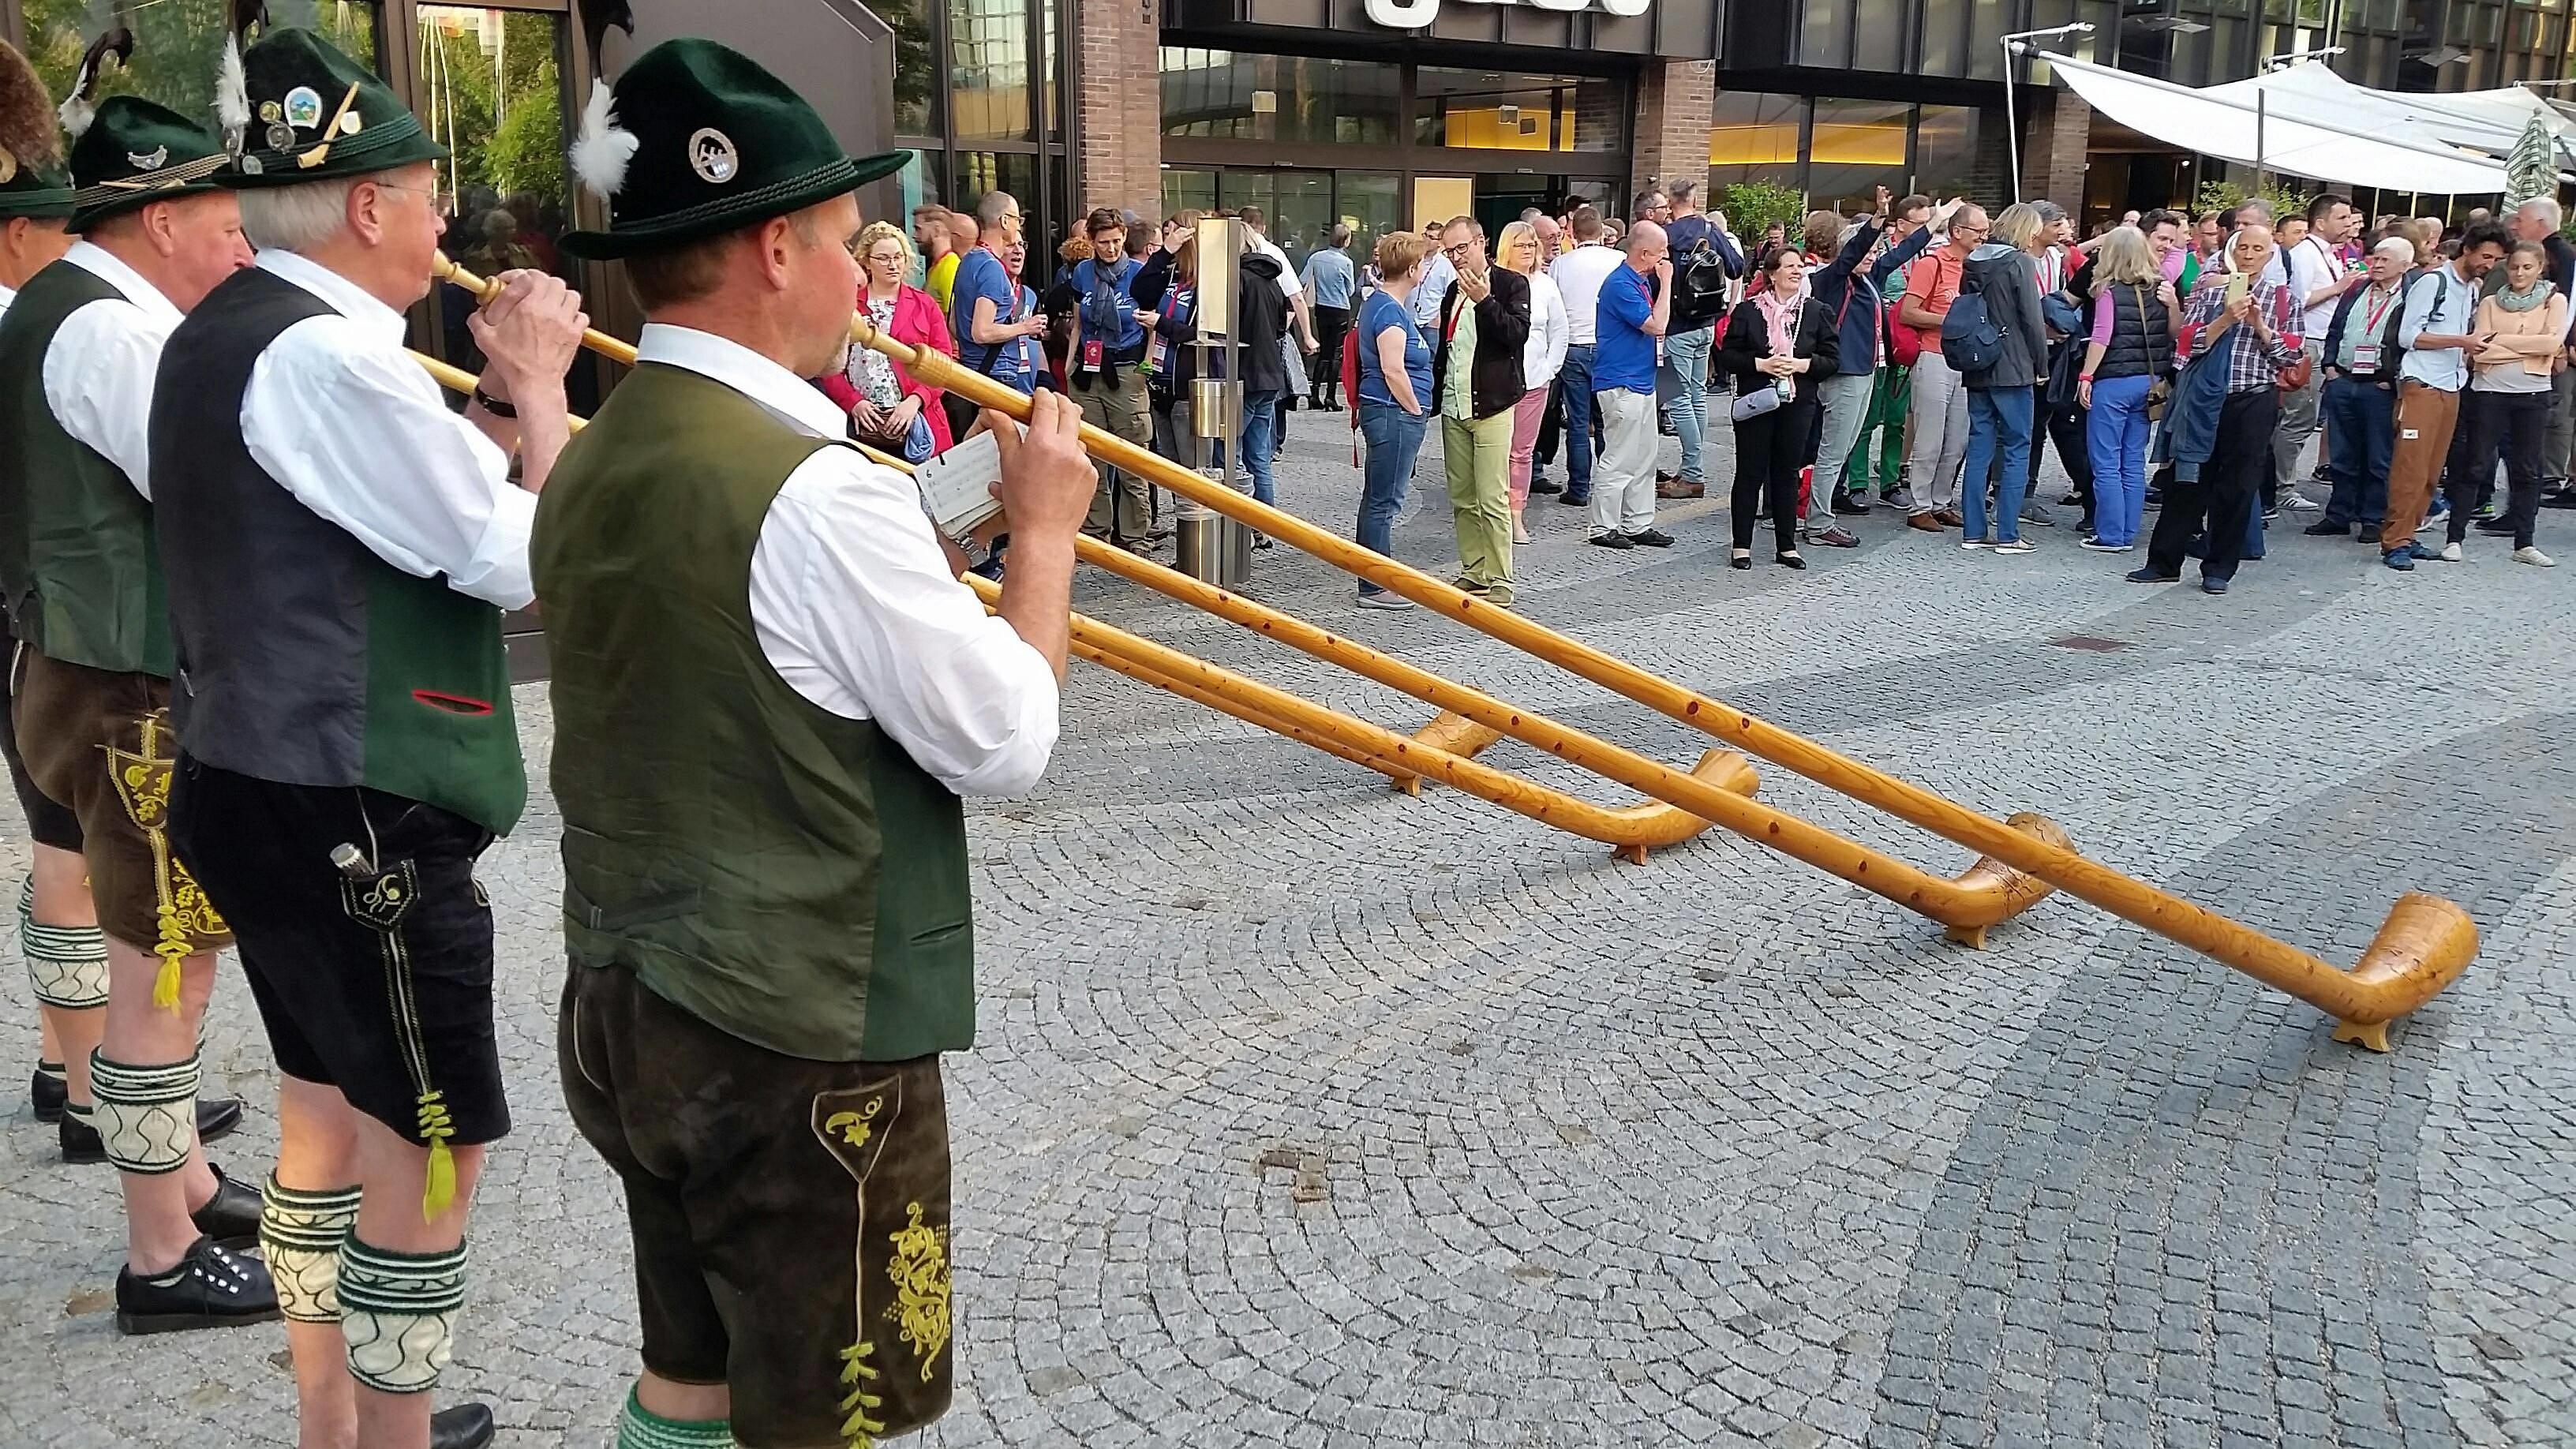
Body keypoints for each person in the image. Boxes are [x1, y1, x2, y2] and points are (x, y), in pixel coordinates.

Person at [529, 39, 1093, 1449]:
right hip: (798, 1046)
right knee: (841, 1419)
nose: (863, 280)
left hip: (624, 1001)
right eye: (847, 244)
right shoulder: (823, 491)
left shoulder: (589, 449)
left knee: (689, 1374)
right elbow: (1007, 738)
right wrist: (1042, 538)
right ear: (773, 247)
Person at [150, 27, 590, 1449]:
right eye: (423, 194)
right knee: (431, 1140)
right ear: (362, 207)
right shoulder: (336, 361)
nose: (444, 224)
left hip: (254, 776)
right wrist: (537, 389)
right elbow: (525, 554)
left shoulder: (224, 332)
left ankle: (333, 1423)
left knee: (323, 1121)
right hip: (356, 807)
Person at [0, 88, 279, 1339]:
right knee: (162, 969)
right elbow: (210, 495)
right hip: (132, 691)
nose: (240, 250)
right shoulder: (112, 335)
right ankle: (160, 1251)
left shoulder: (60, 309)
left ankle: (187, 1183)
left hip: (83, 669)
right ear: (160, 219)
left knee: (159, 953)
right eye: (223, 222)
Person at [0, 37, 110, 1159]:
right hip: (32, 605)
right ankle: (91, 1095)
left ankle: (61, 1060)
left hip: (21, 596)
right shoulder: (24, 316)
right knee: (70, 852)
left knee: (61, 846)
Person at [2131, 223, 2305, 594]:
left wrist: (2259, 325)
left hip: (2253, 398)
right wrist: (2225, 319)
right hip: (2206, 399)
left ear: (2270, 255)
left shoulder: (2283, 297)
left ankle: (2220, 567)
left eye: (2258, 249)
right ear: (2231, 251)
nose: (2249, 254)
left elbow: (2290, 355)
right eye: (2243, 247)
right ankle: (2164, 561)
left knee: (2239, 485)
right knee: (2187, 478)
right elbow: (2187, 343)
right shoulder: (2211, 291)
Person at [2376, 222, 2508, 570]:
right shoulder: (2433, 282)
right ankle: (2394, 541)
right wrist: (2461, 341)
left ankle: (2410, 533)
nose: (2489, 264)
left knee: (2433, 469)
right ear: (2467, 250)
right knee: (2411, 467)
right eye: (2486, 256)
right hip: (2422, 383)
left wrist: (2470, 347)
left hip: (2451, 383)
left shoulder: (2470, 289)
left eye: (2495, 259)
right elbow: (2409, 336)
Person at [1807, 188, 1936, 542]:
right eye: (1869, 250)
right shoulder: (1833, 278)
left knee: (1842, 448)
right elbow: (1852, 254)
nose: (1874, 256)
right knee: (1832, 451)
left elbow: (1902, 253)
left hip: (1866, 370)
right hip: (1844, 373)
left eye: (1876, 251)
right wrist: (1878, 219)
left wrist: (1935, 223)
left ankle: (1822, 511)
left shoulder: (1866, 279)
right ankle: (1818, 522)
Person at [1716, 248, 1839, 569]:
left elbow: (1832, 360)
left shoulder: (1816, 311)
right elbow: (1728, 356)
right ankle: (1741, 545)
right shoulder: (1747, 311)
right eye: (1790, 266)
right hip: (1757, 400)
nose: (1797, 272)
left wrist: (1800, 364)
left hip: (1797, 403)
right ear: (1772, 274)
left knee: (1786, 473)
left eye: (1800, 266)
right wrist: (1762, 364)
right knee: (1749, 472)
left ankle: (1786, 545)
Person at [1430, 217, 1530, 604]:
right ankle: (1474, 570)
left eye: (1462, 248)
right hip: (1455, 404)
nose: (1456, 258)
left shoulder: (1509, 284)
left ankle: (1501, 578)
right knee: (1462, 495)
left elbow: (1515, 336)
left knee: (1492, 496)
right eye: (1449, 251)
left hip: (1492, 404)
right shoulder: (1451, 291)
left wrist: (1485, 302)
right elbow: (1449, 348)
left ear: (1480, 243)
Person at [2447, 239, 2563, 565]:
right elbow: (2481, 346)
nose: (2519, 273)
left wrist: (2507, 344)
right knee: (2476, 463)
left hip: (2533, 390)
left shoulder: (2555, 300)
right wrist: (2529, 344)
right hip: (2490, 390)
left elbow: (2552, 343)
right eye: (2514, 267)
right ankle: (2455, 538)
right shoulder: (2490, 303)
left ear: (2540, 268)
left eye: (2527, 267)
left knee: (2527, 468)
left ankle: (2524, 543)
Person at [2306, 237, 2416, 544]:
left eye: (2385, 260)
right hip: (2344, 378)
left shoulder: (2409, 296)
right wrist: (2329, 365)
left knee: (2378, 456)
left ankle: (2372, 517)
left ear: (2405, 266)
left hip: (2378, 385)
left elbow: (2407, 340)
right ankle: (2338, 514)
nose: (2377, 264)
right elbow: (2336, 328)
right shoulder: (2357, 290)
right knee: (2342, 453)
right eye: (2375, 258)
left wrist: (2392, 377)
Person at [2075, 226, 2176, 553]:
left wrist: (2086, 376)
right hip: (2149, 383)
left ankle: (2111, 534)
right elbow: (2175, 332)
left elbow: (2102, 335)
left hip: (2113, 382)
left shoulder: (2107, 289)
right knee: (2133, 461)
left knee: (2105, 462)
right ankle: (2129, 531)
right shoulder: (2162, 288)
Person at [1955, 204, 2050, 553]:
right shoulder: (2020, 263)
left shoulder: (1974, 260)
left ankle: (1973, 531)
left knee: (1980, 444)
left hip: (1979, 362)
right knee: (2016, 446)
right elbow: (2032, 320)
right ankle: (2008, 534)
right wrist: (2042, 365)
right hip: (2013, 366)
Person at [822, 222, 954, 460]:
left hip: (918, 422)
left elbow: (945, 363)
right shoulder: (847, 303)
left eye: (898, 257)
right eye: (883, 258)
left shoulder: (925, 305)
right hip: (862, 425)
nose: (892, 265)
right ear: (866, 261)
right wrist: (853, 402)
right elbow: (826, 361)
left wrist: (916, 401)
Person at [1064, 208, 1155, 551]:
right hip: (1088, 372)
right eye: (1104, 243)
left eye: (1117, 241)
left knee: (1132, 457)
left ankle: (1136, 535)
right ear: (1091, 241)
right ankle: (1096, 531)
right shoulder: (1083, 273)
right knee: (1090, 458)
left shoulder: (1139, 274)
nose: (1112, 249)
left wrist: (1146, 366)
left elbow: (1151, 324)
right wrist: (1070, 365)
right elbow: (1078, 321)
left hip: (1126, 368)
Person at [1354, 230, 1436, 609]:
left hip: (1387, 411)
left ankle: (1376, 573)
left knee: (1381, 496)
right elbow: (1393, 367)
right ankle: (1374, 583)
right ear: (1412, 268)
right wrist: (1415, 408)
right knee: (1385, 499)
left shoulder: (1383, 303)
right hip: (1392, 412)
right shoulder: (1388, 310)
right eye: (1423, 263)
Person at [1844, 194, 1940, 509]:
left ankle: (1889, 481)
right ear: (1899, 224)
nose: (1926, 229)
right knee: (1867, 419)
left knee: (1898, 419)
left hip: (1908, 348)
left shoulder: (1928, 255)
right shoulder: (1880, 256)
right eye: (1920, 224)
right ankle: (1857, 483)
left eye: (1929, 223)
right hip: (1879, 346)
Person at [1900, 202, 1987, 530]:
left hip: (1967, 360)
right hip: (1935, 354)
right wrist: (1952, 322)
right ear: (1958, 231)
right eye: (1978, 230)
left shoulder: (1980, 266)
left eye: (1985, 231)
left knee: (1957, 439)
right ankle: (1919, 505)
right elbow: (1909, 312)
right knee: (1930, 436)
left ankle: (1941, 501)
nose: (1983, 236)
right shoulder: (1932, 263)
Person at [1588, 221, 1674, 550]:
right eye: (1661, 251)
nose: (1666, 257)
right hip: (1621, 383)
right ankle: (1603, 526)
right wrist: (1666, 285)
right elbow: (1656, 325)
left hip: (1641, 380)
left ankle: (1638, 522)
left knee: (1644, 456)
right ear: (1645, 253)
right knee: (1620, 456)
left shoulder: (1637, 281)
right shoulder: (1621, 284)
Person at [2277, 193, 2361, 513]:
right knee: (2299, 417)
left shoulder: (2332, 253)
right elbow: (2296, 302)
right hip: (2307, 341)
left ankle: (2281, 484)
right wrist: (2339, 288)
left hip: (2325, 341)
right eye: (2342, 218)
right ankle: (2281, 487)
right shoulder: (2304, 254)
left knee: (2304, 416)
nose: (2349, 224)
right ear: (2321, 221)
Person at [1657, 182, 1736, 500]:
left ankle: (1693, 473)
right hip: (1707, 323)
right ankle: (1691, 468)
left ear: (1671, 203)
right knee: (1697, 395)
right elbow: (1736, 267)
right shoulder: (1709, 228)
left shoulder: (1668, 236)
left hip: (1676, 325)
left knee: (1676, 398)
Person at [949, 191, 1047, 436]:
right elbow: (982, 331)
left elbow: (953, 323)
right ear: (1005, 222)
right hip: (998, 375)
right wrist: (1026, 326)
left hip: (973, 373)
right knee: (999, 454)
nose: (1018, 227)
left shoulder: (967, 261)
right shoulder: (992, 269)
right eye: (1017, 220)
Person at [1496, 219, 1566, 547]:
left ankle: (1516, 516)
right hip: (1496, 381)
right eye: (1521, 245)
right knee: (1493, 451)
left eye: (1532, 245)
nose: (1528, 250)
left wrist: (1549, 369)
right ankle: (1491, 513)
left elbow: (1559, 331)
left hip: (1534, 380)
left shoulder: (1546, 285)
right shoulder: (1495, 282)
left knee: (1521, 452)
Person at [1549, 205, 1623, 511]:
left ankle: (1578, 488)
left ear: (1572, 233)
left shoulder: (1560, 264)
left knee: (1579, 423)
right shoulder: (1619, 260)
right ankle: (1610, 490)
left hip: (1575, 347)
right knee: (1609, 423)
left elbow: (1555, 308)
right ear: (1602, 230)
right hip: (1609, 347)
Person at [2504, 198, 2576, 501]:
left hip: (2552, 350)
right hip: (2539, 347)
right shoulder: (2554, 254)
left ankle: (2548, 476)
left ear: (2541, 223)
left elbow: (2567, 303)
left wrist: (2563, 344)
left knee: (2555, 413)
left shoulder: (2559, 256)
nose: (2515, 225)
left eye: (2521, 219)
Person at [1302, 223, 1357, 410]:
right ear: (1347, 241)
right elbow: (1350, 290)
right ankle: (1331, 396)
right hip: (1340, 308)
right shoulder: (1346, 263)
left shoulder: (1316, 257)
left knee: (1324, 352)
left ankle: (1314, 393)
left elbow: (1303, 279)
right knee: (1336, 353)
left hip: (1322, 307)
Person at [914, 204, 957, 309]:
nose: (914, 235)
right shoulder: (938, 266)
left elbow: (953, 317)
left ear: (937, 230)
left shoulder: (950, 267)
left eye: (918, 229)